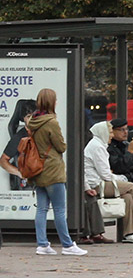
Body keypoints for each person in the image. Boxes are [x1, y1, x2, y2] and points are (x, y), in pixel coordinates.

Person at [28, 88, 87, 256]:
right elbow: (61, 146)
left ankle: (42, 244)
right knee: (60, 210)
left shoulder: (33, 121)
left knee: (41, 209)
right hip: (53, 170)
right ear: (51, 102)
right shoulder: (51, 122)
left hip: (38, 169)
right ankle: (67, 245)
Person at [82, 120, 133, 244]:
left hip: (99, 182)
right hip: (97, 184)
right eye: (110, 132)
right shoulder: (98, 147)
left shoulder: (99, 145)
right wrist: (121, 178)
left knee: (127, 196)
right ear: (103, 132)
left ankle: (129, 233)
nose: (111, 135)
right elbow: (105, 175)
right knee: (131, 187)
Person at [1, 98, 37, 190]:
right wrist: (19, 173)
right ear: (23, 118)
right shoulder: (19, 137)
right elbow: (3, 161)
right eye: (29, 116)